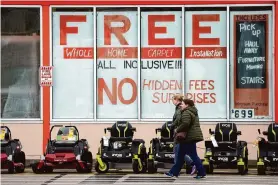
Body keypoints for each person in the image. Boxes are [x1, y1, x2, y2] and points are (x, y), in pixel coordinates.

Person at [166, 99, 206, 179]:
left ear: (187, 105)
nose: (181, 105)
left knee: (193, 156)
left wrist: (177, 130)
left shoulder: (186, 112)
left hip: (188, 138)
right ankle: (173, 172)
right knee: (180, 156)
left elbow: (185, 123)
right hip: (188, 138)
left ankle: (201, 173)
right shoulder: (191, 112)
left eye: (183, 104)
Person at [171, 95, 196, 175]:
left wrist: (173, 126)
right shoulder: (180, 108)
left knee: (177, 151)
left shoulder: (179, 108)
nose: (172, 102)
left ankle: (191, 163)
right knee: (180, 151)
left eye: (173, 100)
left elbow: (179, 119)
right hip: (181, 132)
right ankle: (176, 170)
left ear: (176, 100)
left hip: (179, 133)